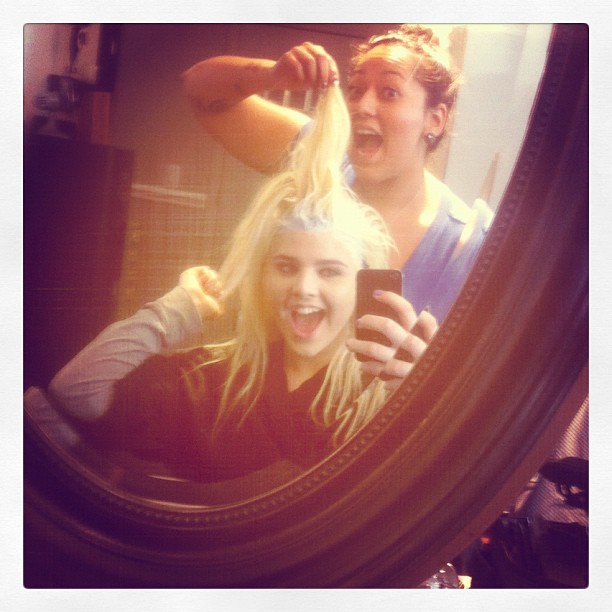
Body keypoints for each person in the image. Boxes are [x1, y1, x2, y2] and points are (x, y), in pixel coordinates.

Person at [47, 84, 435, 483]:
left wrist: (418, 402)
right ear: (262, 277)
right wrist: (175, 313)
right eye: (285, 267)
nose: (303, 288)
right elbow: (75, 392)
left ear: (360, 285)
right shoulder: (212, 380)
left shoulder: (378, 396)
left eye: (330, 271)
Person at [182, 24, 492, 326]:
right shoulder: (319, 157)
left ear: (435, 119)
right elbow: (199, 88)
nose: (363, 105)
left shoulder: (465, 246)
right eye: (356, 90)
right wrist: (271, 75)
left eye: (389, 92)